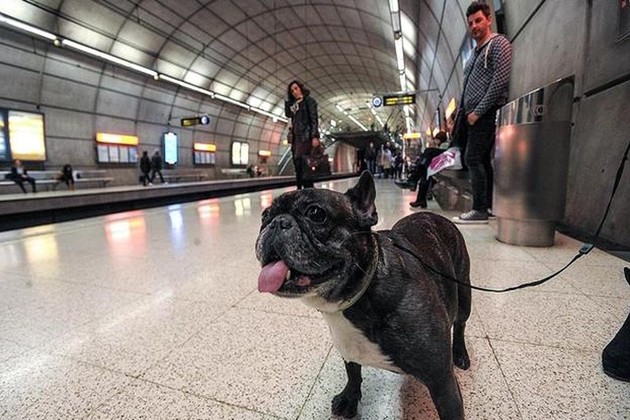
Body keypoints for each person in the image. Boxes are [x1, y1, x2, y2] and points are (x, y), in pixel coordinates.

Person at [453, 1, 512, 223]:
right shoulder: (473, 54)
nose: (474, 26)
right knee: (483, 160)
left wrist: (478, 111)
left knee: (473, 158)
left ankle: (479, 209)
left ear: (488, 19)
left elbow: (499, 81)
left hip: (485, 113)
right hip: (471, 116)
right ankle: (489, 206)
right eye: (470, 23)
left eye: (478, 20)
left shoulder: (498, 44)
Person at [396, 132, 448, 209]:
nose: (435, 141)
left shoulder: (444, 146)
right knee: (424, 173)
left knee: (428, 151)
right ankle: (420, 199)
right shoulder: (441, 147)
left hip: (444, 162)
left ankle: (413, 180)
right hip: (437, 164)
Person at [285, 80, 319, 189]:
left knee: (305, 165)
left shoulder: (309, 101)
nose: (294, 92)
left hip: (306, 137)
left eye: (296, 88)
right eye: (292, 91)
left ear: (301, 88)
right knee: (297, 165)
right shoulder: (294, 105)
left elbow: (314, 119)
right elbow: (287, 114)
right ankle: (299, 189)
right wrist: (290, 102)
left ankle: (308, 189)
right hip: (296, 139)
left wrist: (314, 136)